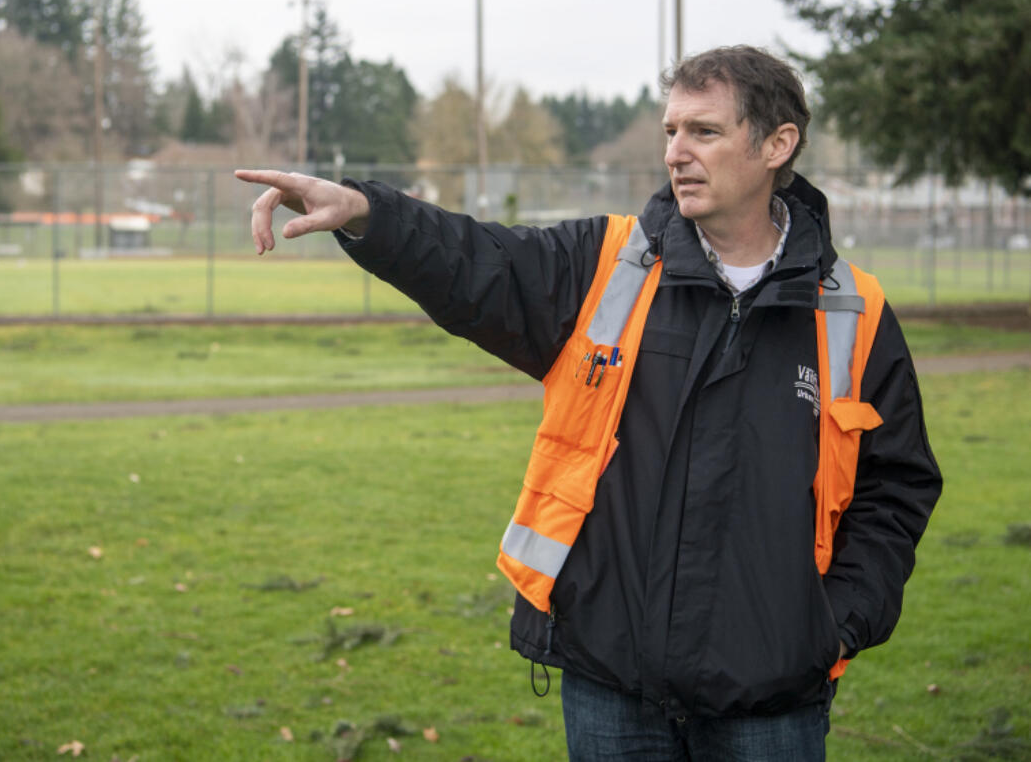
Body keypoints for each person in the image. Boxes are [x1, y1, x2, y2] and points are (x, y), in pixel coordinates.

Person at [236, 45, 941, 761]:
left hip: (771, 699)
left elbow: (898, 487)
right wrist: (364, 212)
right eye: (671, 132)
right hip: (611, 686)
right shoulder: (604, 265)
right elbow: (473, 261)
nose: (677, 153)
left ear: (777, 144)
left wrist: (834, 625)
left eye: (704, 131)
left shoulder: (853, 311)